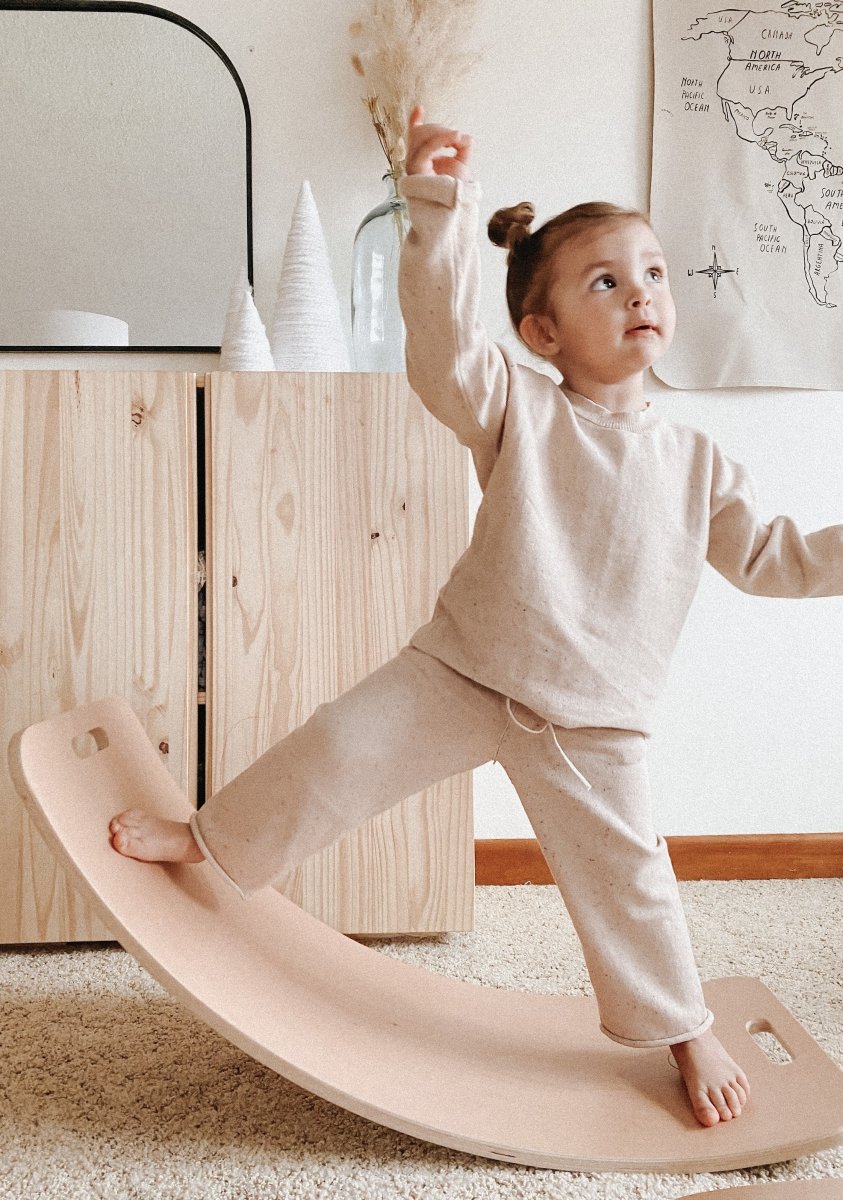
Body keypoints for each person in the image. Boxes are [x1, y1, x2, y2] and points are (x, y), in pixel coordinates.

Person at [110, 105, 843, 1128]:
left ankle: (684, 1028)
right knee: (333, 751)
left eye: (655, 274)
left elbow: (776, 560)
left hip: (594, 722)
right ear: (542, 332)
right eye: (606, 281)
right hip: (459, 671)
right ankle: (209, 838)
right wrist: (436, 208)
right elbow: (448, 346)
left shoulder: (699, 465)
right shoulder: (520, 407)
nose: (641, 293)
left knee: (632, 886)